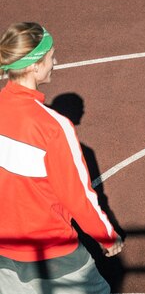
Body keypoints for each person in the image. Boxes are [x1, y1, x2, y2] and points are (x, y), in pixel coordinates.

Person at [0, 22, 123, 294]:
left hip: (5, 250)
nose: (54, 62)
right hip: (54, 253)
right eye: (50, 56)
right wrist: (107, 236)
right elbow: (77, 196)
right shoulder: (54, 127)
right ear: (34, 66)